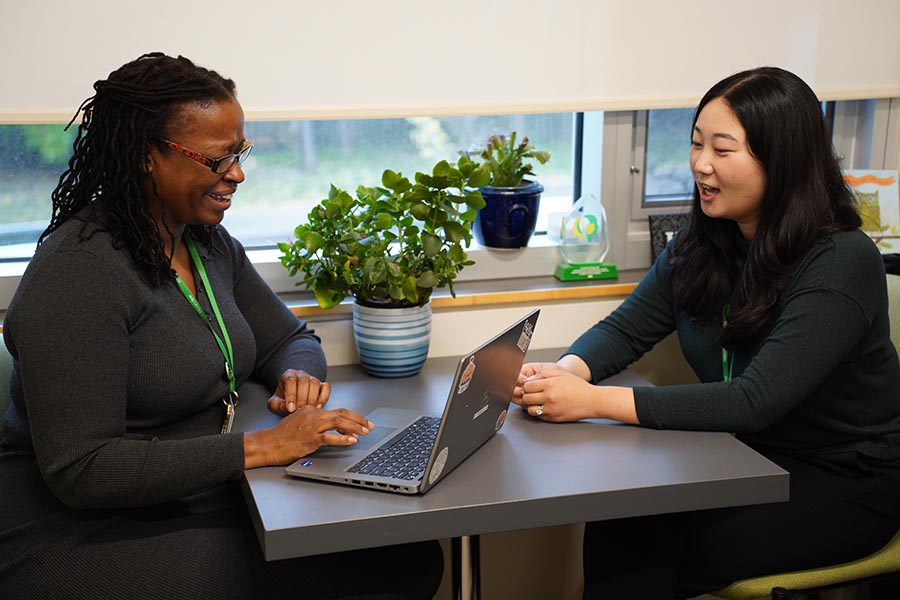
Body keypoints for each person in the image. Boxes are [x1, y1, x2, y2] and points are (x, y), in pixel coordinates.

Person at [0, 53, 443, 600]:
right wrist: (260, 447)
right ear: (146, 157)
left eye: (240, 153)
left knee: (404, 552)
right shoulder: (79, 272)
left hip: (195, 495)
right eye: (217, 159)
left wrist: (295, 377)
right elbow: (82, 469)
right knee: (376, 567)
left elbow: (289, 339)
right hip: (78, 531)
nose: (236, 174)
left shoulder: (204, 241)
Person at [513, 66, 900, 599]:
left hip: (844, 478)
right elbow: (628, 328)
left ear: (781, 159)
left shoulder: (840, 260)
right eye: (697, 144)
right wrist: (564, 373)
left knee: (663, 543)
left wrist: (590, 401)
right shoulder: (703, 237)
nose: (700, 164)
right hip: (737, 456)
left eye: (722, 149)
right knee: (621, 517)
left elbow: (752, 401)